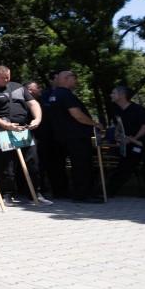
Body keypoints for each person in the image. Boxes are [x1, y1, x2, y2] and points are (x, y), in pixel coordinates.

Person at [0, 65, 48, 204]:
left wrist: (37, 119)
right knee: (6, 164)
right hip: (3, 130)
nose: (7, 80)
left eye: (8, 77)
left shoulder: (18, 87)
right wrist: (4, 125)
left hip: (22, 128)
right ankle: (7, 194)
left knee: (32, 161)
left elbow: (33, 103)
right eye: (3, 78)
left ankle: (35, 193)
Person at [44, 69, 103, 203]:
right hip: (76, 136)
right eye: (74, 78)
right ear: (67, 79)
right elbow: (77, 115)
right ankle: (83, 195)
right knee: (82, 165)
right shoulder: (66, 95)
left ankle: (68, 192)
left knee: (70, 166)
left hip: (62, 136)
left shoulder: (53, 95)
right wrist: (94, 124)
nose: (76, 81)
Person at [108, 86, 145, 199]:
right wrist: (117, 136)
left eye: (113, 93)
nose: (111, 95)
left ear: (122, 95)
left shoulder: (139, 110)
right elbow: (118, 125)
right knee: (123, 167)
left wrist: (133, 138)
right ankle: (108, 192)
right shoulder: (116, 110)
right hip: (131, 144)